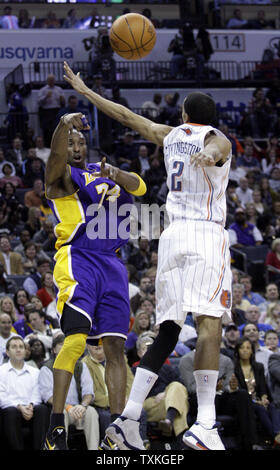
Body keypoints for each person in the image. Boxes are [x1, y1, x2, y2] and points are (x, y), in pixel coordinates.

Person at [63, 62, 233, 450]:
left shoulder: (169, 134)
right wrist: (208, 154)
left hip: (171, 238)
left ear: (184, 115)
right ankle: (205, 422)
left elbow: (124, 115)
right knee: (210, 323)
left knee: (169, 330)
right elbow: (218, 146)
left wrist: (87, 92)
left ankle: (127, 418)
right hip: (206, 234)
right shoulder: (214, 135)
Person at [42, 109, 147, 451]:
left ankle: (116, 432)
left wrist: (116, 172)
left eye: (80, 140)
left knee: (116, 348)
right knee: (75, 340)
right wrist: (62, 125)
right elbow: (56, 158)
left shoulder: (102, 172)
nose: (76, 146)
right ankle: (56, 423)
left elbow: (140, 186)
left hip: (113, 264)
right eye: (70, 142)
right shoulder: (63, 178)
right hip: (78, 257)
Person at [179, 346, 258, 450]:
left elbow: (227, 386)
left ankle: (250, 444)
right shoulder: (187, 359)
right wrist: (212, 387)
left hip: (221, 396)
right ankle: (206, 437)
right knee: (208, 397)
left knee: (242, 395)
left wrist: (232, 387)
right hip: (199, 398)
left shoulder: (225, 360)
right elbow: (190, 387)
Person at [39, 333, 99, 450]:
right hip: (60, 408)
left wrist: (83, 406)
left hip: (78, 409)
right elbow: (48, 396)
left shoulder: (80, 365)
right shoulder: (47, 368)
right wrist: (68, 407)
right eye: (61, 344)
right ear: (54, 350)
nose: (65, 347)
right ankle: (60, 447)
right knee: (61, 413)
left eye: (67, 344)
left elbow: (89, 392)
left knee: (91, 412)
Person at [133, 332, 189, 443]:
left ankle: (169, 420)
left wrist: (165, 393)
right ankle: (182, 442)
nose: (149, 351)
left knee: (177, 387)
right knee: (181, 406)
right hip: (148, 405)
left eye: (151, 348)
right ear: (140, 353)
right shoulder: (136, 370)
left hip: (167, 402)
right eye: (145, 349)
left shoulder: (166, 368)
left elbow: (181, 385)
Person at [0, 336, 50, 450]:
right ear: (7, 352)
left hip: (30, 409)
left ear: (25, 351)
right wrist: (19, 407)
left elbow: (37, 393)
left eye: (21, 347)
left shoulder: (35, 372)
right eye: (14, 347)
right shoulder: (1, 371)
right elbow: (2, 396)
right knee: (10, 412)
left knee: (42, 409)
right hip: (11, 410)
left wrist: (31, 405)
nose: (18, 350)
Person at [233, 337, 280, 447]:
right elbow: (239, 390)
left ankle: (277, 433)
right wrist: (256, 402)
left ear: (252, 351)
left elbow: (263, 386)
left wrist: (264, 397)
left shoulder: (258, 367)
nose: (245, 350)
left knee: (273, 406)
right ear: (237, 351)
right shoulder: (234, 367)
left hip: (258, 399)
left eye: (248, 348)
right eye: (242, 348)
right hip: (244, 401)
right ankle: (275, 436)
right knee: (260, 409)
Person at [37, 74, 65, 147]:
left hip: (57, 111)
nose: (52, 81)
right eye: (50, 80)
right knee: (47, 131)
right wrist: (46, 97)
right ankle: (47, 146)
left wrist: (62, 100)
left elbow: (63, 102)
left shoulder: (59, 89)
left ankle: (58, 146)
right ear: (47, 81)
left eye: (53, 80)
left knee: (57, 130)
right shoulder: (43, 90)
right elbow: (39, 102)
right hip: (46, 112)